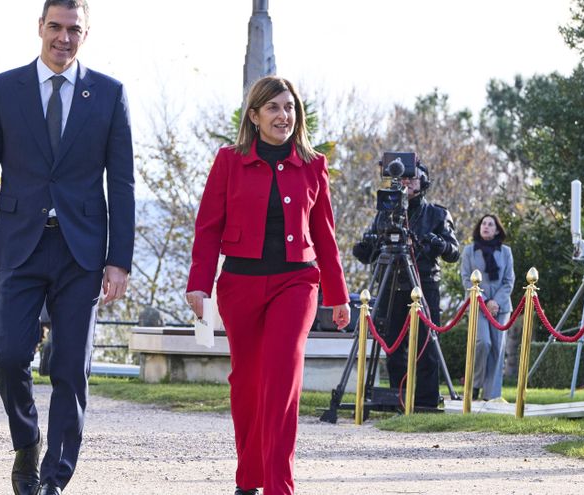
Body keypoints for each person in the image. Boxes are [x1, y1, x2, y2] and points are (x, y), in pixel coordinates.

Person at [0, 1, 134, 493]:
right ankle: (26, 441)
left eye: (73, 29)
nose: (63, 38)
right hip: (19, 246)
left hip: (82, 252)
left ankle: (54, 479)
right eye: (55, 27)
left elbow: (121, 183)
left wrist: (118, 259)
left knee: (69, 367)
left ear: (87, 33)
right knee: (10, 355)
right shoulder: (2, 89)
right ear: (39, 27)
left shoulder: (109, 93)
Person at [186, 76, 350, 495]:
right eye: (274, 108)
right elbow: (208, 228)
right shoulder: (228, 161)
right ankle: (249, 480)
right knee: (246, 384)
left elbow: (325, 235)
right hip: (240, 284)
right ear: (255, 115)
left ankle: (280, 486)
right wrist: (198, 285)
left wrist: (337, 296)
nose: (284, 116)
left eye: (290, 107)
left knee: (281, 379)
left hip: (297, 283)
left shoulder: (313, 164)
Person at [351, 161, 460, 408]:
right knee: (392, 345)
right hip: (391, 283)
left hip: (424, 283)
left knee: (426, 343)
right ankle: (396, 398)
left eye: (414, 178)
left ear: (424, 183)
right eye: (405, 178)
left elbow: (454, 252)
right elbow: (369, 251)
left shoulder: (437, 214)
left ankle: (425, 402)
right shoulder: (385, 211)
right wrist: (365, 246)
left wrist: (439, 244)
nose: (408, 181)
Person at [461, 214, 515, 401]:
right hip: (478, 305)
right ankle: (475, 385)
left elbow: (509, 281)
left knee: (497, 349)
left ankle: (491, 395)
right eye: (483, 223)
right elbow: (467, 279)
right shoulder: (469, 250)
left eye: (490, 224)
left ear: (497, 229)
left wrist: (496, 302)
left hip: (500, 307)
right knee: (483, 343)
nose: (486, 227)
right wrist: (484, 300)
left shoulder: (506, 252)